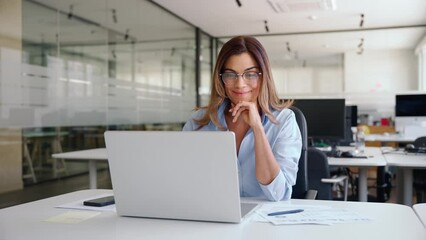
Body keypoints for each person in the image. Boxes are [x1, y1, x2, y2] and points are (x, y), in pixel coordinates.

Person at [182, 36, 301, 201]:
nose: (239, 84)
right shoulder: (199, 122)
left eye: (250, 74)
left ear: (263, 76)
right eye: (230, 75)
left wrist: (258, 128)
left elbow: (279, 194)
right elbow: (183, 182)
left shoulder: (284, 121)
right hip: (212, 215)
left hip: (264, 220)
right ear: (220, 78)